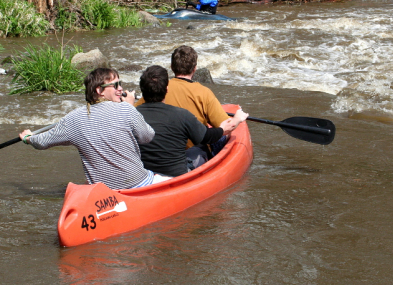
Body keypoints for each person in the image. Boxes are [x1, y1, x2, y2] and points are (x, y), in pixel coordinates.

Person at [19, 68, 170, 190]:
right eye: (116, 85)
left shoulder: (73, 119)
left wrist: (29, 138)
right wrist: (131, 107)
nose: (121, 89)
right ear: (99, 90)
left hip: (104, 194)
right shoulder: (126, 109)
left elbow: (43, 142)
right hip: (139, 184)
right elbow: (148, 136)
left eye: (120, 84)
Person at [137, 46, 248, 165]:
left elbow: (133, 111)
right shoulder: (203, 92)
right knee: (220, 136)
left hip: (160, 152)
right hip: (191, 154)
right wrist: (237, 118)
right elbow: (226, 127)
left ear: (172, 67)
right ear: (194, 69)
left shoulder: (157, 89)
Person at [136, 66, 238, 176]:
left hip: (144, 174)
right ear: (166, 89)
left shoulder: (131, 114)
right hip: (178, 176)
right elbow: (207, 137)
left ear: (142, 90)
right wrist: (223, 129)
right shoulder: (182, 115)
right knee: (201, 148)